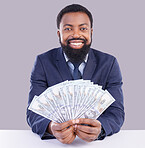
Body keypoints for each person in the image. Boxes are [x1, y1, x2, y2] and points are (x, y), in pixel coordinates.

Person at [26, 4, 125, 144]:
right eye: (68, 29)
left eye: (83, 28)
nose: (76, 34)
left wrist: (100, 128)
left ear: (91, 32)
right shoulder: (43, 62)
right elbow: (33, 112)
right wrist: (51, 127)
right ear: (59, 34)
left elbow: (116, 112)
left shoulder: (109, 63)